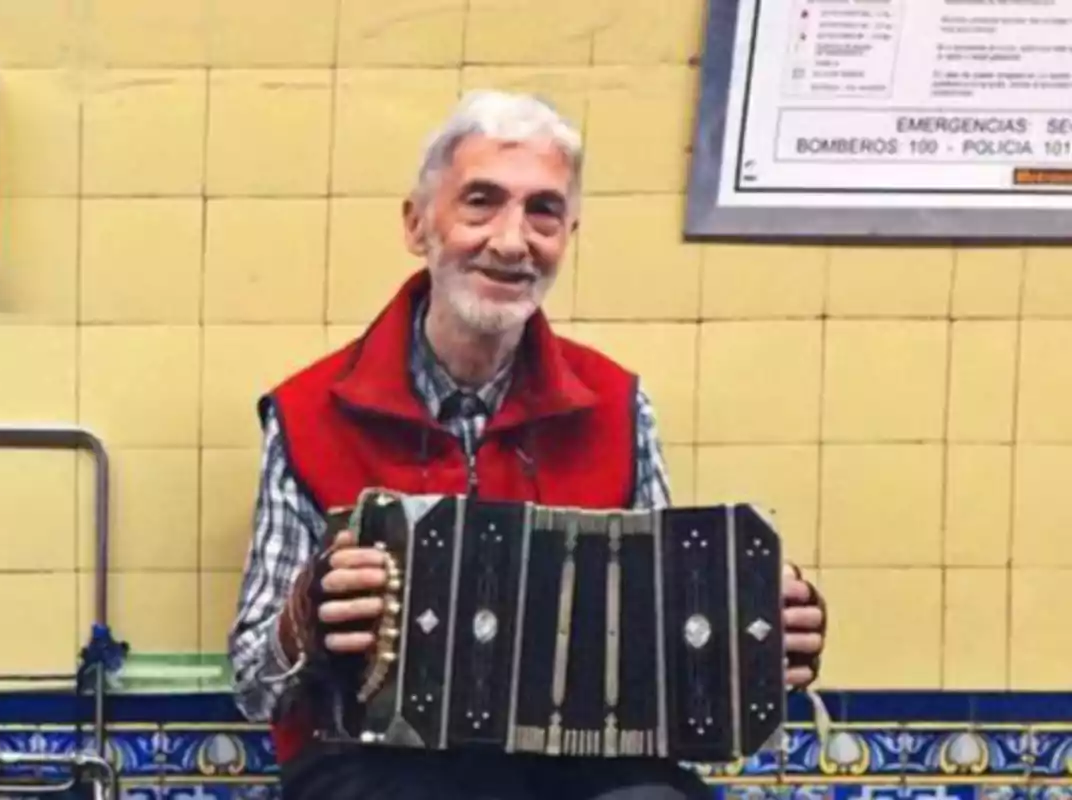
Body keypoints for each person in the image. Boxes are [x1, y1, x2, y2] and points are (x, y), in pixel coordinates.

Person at [228, 90, 828, 800]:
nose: (512, 241)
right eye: (480, 201)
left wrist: (751, 640)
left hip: (582, 769)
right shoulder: (308, 412)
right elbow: (251, 684)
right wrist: (306, 620)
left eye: (543, 210)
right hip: (374, 767)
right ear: (418, 223)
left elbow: (662, 658)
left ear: (568, 232)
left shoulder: (616, 405)